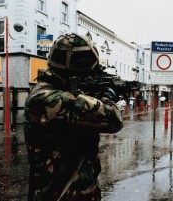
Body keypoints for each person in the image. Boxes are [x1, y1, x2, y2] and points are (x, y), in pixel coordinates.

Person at [23, 33, 123, 201]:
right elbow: (113, 119)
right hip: (59, 194)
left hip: (78, 191)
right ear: (73, 72)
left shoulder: (60, 90)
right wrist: (107, 97)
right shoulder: (47, 98)